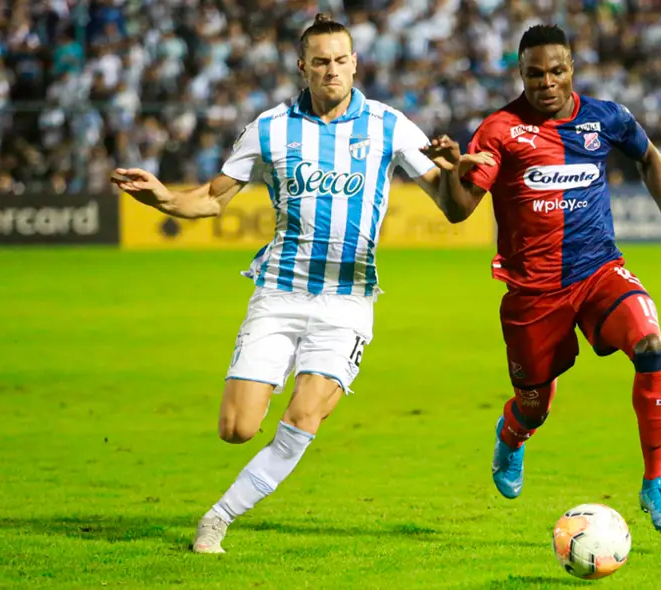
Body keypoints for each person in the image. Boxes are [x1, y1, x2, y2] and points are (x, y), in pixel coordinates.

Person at [111, 14, 493, 553]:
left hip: (348, 301)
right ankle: (244, 447)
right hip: (279, 293)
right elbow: (213, 197)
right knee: (237, 428)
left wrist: (456, 173)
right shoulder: (269, 128)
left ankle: (217, 519)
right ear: (303, 67)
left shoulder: (389, 125)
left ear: (355, 63)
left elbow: (453, 210)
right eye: (320, 62)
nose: (332, 70)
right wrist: (163, 198)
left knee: (305, 413)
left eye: (341, 60)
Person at [420, 24, 661, 533]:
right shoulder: (500, 130)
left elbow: (649, 157)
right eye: (535, 74)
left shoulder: (605, 117)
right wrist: (450, 172)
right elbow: (459, 210)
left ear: (572, 68)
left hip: (598, 270)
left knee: (649, 342)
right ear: (520, 74)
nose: (546, 82)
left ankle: (655, 482)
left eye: (556, 71)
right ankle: (512, 435)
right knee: (535, 406)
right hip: (534, 292)